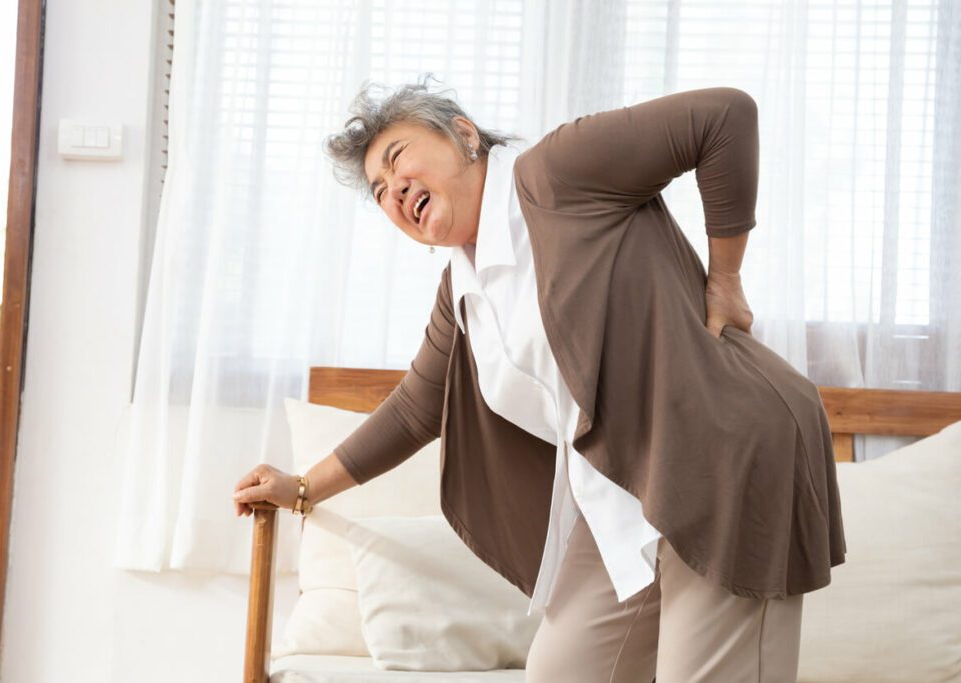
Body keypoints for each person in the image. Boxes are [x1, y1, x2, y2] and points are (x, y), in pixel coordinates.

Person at [233, 73, 847, 682]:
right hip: (625, 488)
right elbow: (418, 407)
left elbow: (724, 116)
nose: (394, 190)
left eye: (398, 160)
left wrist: (726, 276)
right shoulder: (463, 290)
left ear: (466, 136)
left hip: (722, 453)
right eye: (378, 191)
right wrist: (304, 487)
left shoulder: (555, 173)